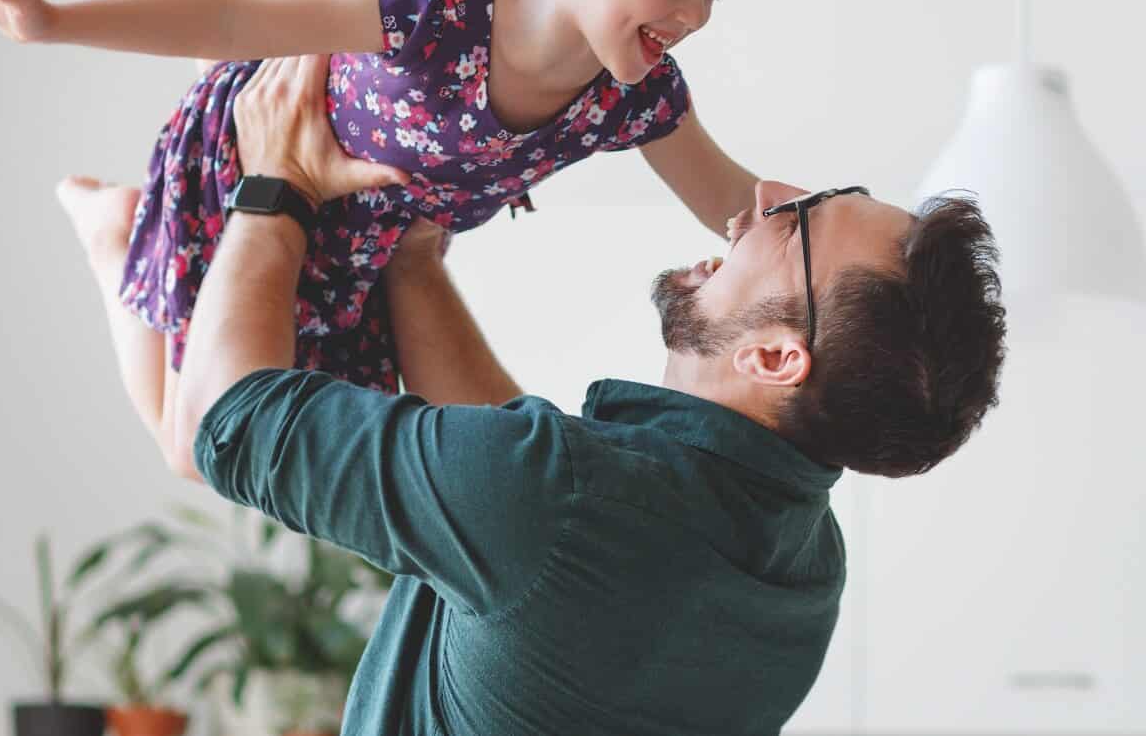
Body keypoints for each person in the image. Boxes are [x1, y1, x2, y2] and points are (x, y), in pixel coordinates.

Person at [58, 50, 1008, 736]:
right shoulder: (799, 570)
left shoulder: (557, 500)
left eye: (799, 221)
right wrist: (413, 254)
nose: (767, 197)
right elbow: (533, 504)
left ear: (774, 357)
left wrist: (278, 182)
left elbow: (230, 420)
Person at [0, 0, 771, 447]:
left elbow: (744, 208)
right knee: (194, 452)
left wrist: (897, 239)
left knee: (268, 443)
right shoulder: (434, 18)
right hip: (247, 168)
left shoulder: (637, 97)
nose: (693, 17)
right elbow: (235, 30)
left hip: (354, 256)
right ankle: (113, 234)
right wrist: (52, 22)